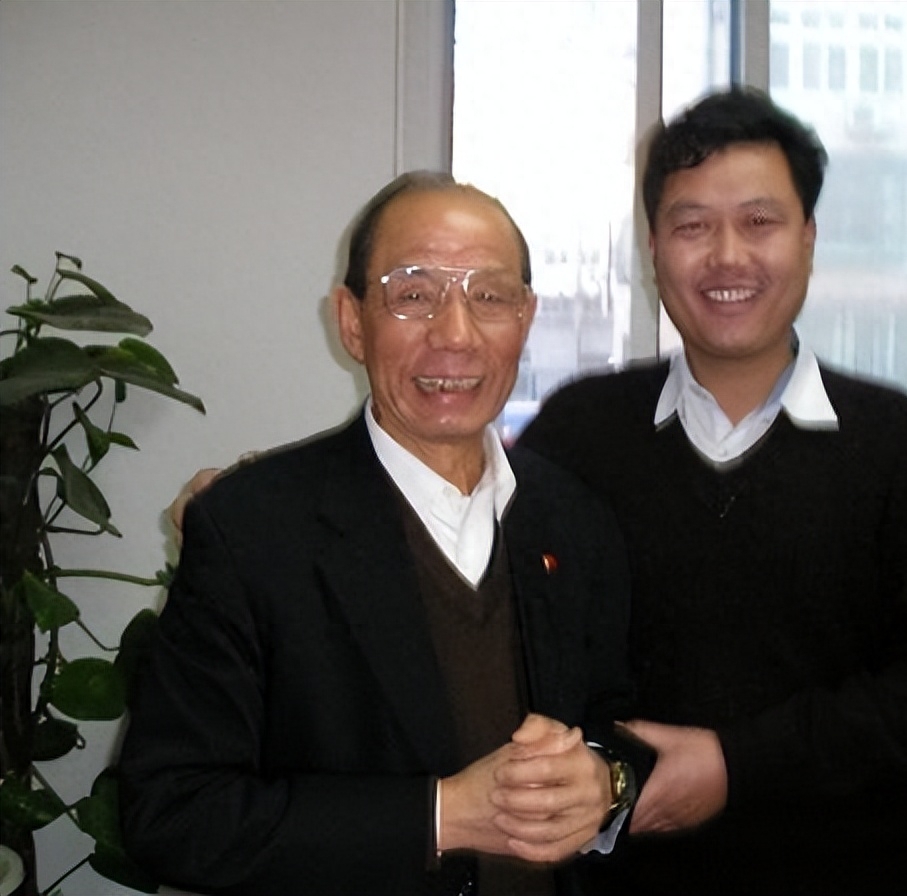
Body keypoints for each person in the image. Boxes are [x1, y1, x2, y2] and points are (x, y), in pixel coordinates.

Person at [516, 86, 907, 895]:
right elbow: (513, 639)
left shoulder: (893, 442)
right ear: (653, 247)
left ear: (808, 238)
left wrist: (738, 764)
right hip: (626, 874)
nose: (728, 256)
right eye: (692, 226)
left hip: (847, 872)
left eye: (759, 222)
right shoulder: (577, 433)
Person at [118, 171, 650, 896]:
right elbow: (171, 814)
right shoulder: (252, 528)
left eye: (489, 297)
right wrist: (439, 816)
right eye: (414, 295)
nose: (455, 334)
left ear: (525, 319)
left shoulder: (574, 518)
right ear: (351, 321)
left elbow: (619, 722)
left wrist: (607, 780)